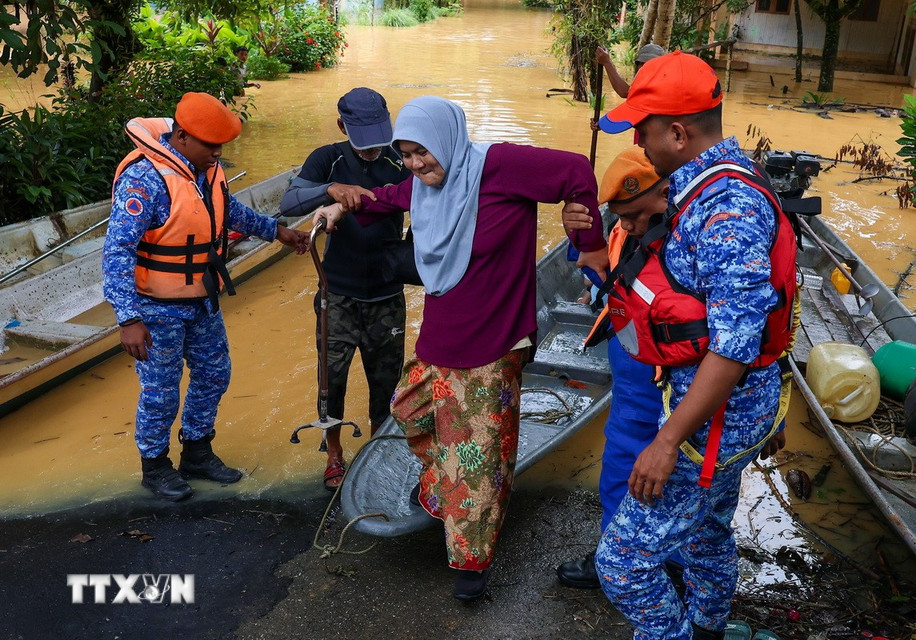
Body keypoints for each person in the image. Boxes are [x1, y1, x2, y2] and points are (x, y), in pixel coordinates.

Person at [312, 96, 609, 602]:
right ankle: (443, 486)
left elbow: (576, 171)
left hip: (494, 337)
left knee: (478, 453)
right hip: (444, 333)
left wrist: (589, 241)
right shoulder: (428, 186)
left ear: (446, 138)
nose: (415, 163)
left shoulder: (500, 165)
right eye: (406, 154)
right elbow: (392, 194)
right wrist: (343, 203)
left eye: (422, 152)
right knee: (410, 408)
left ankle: (473, 565)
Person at [593, 52, 794, 639]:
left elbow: (734, 344)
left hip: (714, 421)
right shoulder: (714, 180)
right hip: (732, 408)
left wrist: (666, 441)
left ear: (678, 134)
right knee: (706, 534)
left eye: (643, 129)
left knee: (623, 563)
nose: (637, 141)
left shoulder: (725, 209)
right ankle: (707, 627)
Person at [103, 91, 310, 502]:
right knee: (161, 391)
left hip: (202, 298)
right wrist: (128, 318)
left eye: (221, 146)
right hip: (156, 308)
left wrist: (277, 231)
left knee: (215, 374)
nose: (217, 153)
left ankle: (197, 452)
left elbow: (228, 210)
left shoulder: (207, 172)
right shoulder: (145, 180)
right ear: (181, 136)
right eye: (210, 145)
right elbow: (117, 251)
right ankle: (155, 466)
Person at [555, 147, 675, 590]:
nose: (628, 224)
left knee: (682, 471)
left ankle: (675, 564)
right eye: (621, 216)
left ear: (666, 193)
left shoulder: (698, 233)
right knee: (622, 460)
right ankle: (615, 553)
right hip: (631, 365)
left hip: (680, 373)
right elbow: (605, 279)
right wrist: (578, 239)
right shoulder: (624, 229)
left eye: (635, 215)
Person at [279, 87, 411, 491]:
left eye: (378, 140)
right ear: (342, 127)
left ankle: (379, 453)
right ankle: (333, 452)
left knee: (386, 383)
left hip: (387, 293)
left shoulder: (400, 158)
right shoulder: (327, 159)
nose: (372, 151)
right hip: (337, 294)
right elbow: (288, 203)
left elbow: (431, 198)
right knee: (331, 379)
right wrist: (330, 190)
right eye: (364, 143)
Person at [596, 43, 666, 100]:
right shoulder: (642, 80)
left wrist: (607, 63)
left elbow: (625, 92)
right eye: (642, 63)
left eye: (650, 64)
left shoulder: (664, 84)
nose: (645, 67)